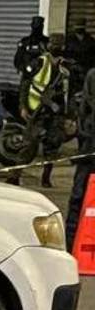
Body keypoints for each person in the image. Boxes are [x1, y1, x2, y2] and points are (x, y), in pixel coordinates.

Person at [20, 32, 71, 188]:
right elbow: (25, 84)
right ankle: (14, 176)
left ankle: (46, 178)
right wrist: (23, 106)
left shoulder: (66, 67)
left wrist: (69, 115)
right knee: (28, 145)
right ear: (48, 45)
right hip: (37, 110)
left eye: (59, 45)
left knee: (53, 146)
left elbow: (71, 91)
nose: (56, 47)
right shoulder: (39, 62)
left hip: (56, 113)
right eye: (53, 44)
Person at [66, 67, 95, 249]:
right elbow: (84, 112)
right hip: (89, 151)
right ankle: (71, 243)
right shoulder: (92, 75)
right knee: (79, 198)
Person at [65, 21, 95, 94]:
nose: (78, 28)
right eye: (77, 26)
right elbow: (66, 54)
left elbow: (93, 56)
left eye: (80, 27)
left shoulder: (90, 40)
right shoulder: (69, 40)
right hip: (73, 68)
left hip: (86, 67)